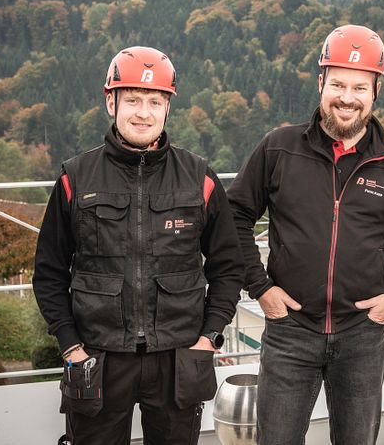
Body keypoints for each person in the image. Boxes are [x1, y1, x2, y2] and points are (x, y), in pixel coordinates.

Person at [227, 24, 384, 444]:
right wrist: (260, 286)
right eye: (338, 84)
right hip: (289, 329)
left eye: (360, 87)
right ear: (321, 82)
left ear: (376, 90)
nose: (347, 97)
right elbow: (233, 216)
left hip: (363, 332)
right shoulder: (278, 148)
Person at [33, 46, 244, 444]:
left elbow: (228, 267)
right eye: (132, 100)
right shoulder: (74, 178)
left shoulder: (200, 178)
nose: (143, 112)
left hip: (180, 356)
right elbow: (48, 272)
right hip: (98, 356)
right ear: (110, 101)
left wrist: (209, 337)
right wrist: (71, 347)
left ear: (168, 107)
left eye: (154, 101)